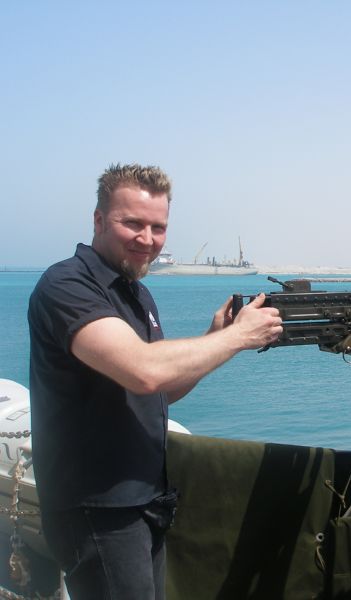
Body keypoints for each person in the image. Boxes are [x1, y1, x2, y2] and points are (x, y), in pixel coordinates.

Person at [27, 163, 283, 599]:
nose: (147, 239)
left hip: (145, 499)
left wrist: (214, 341)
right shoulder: (67, 285)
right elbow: (143, 371)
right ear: (98, 220)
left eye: (158, 227)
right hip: (97, 506)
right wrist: (240, 336)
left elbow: (161, 391)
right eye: (133, 224)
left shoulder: (135, 293)